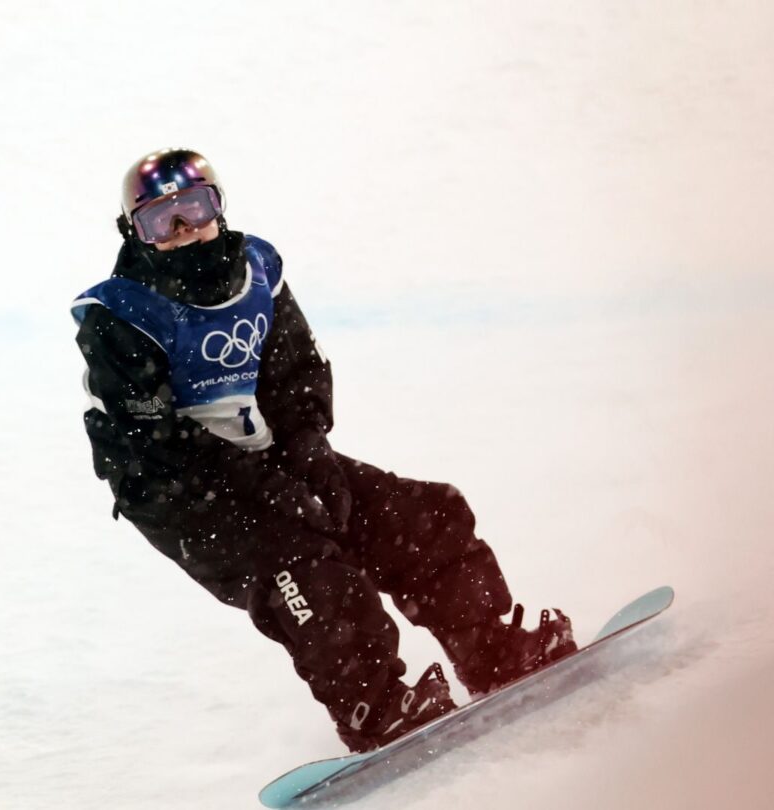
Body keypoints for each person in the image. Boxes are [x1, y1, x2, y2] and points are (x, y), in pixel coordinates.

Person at [70, 148, 578, 752]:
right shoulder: (119, 315)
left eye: (195, 208)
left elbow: (293, 372)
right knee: (303, 567)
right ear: (135, 231)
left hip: (268, 458)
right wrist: (263, 486)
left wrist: (309, 452)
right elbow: (156, 441)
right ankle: (372, 704)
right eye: (163, 221)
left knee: (418, 516)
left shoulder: (257, 269)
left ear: (219, 206)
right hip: (179, 494)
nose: (185, 231)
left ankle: (486, 647)